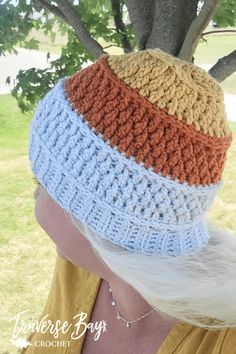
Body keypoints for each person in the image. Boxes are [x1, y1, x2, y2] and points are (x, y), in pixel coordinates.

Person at [21, 48, 236, 354]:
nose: (34, 194)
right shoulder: (78, 270)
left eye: (41, 182)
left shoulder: (223, 341)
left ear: (99, 218)